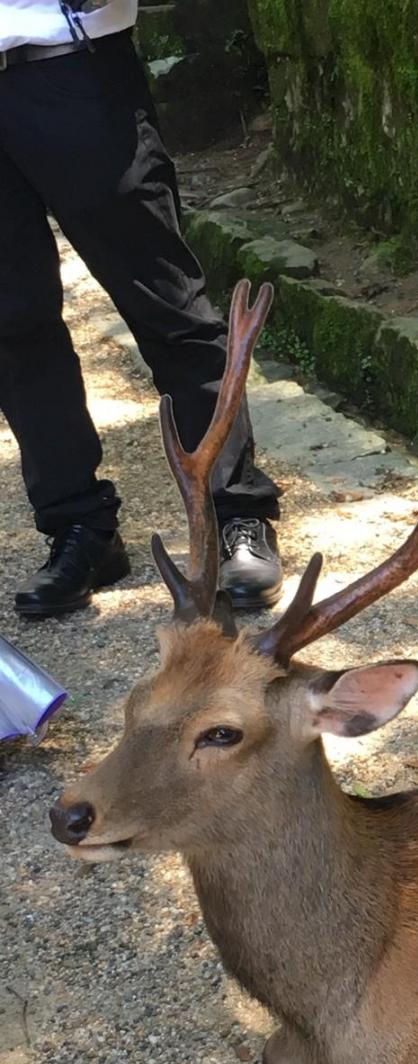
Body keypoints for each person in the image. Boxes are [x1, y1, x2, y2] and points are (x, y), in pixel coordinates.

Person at [0, 0, 283, 617]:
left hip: (74, 69)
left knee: (168, 306)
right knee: (12, 327)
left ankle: (238, 513)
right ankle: (79, 528)